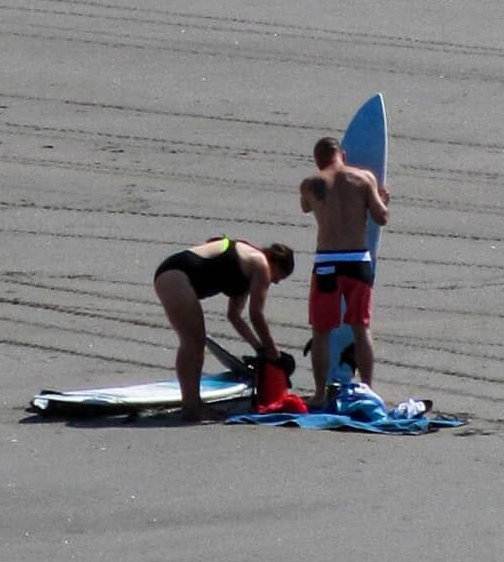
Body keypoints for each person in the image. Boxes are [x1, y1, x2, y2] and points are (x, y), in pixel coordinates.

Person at [153, 237, 294, 422]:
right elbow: (256, 315)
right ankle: (191, 407)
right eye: (279, 277)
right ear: (274, 263)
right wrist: (272, 350)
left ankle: (193, 403)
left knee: (194, 342)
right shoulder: (261, 264)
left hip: (171, 275)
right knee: (193, 342)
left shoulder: (247, 266)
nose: (275, 282)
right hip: (176, 277)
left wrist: (260, 348)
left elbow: (234, 316)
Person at [299, 135, 390, 406]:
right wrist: (383, 199)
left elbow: (305, 207)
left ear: (318, 160)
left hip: (327, 261)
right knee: (361, 328)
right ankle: (368, 389)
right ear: (343, 155)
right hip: (358, 261)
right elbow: (381, 217)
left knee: (322, 331)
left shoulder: (310, 183)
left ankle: (318, 394)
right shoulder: (364, 179)